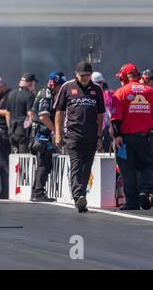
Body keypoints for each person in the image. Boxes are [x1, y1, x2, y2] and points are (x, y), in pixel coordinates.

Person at [54, 61, 105, 213]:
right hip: (72, 134)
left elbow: (100, 114)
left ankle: (81, 195)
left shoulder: (97, 89)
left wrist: (100, 136)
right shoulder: (67, 87)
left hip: (91, 136)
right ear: (76, 74)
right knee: (76, 164)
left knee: (86, 167)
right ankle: (78, 197)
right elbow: (59, 111)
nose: (85, 78)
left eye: (88, 75)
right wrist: (58, 133)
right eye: (82, 75)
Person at [111, 63, 153, 210]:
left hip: (125, 139)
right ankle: (145, 191)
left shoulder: (120, 92)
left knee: (127, 170)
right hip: (146, 138)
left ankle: (132, 202)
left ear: (124, 77)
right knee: (147, 165)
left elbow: (115, 118)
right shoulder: (150, 91)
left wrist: (117, 135)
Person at [30, 72, 67, 202]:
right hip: (41, 134)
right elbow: (43, 117)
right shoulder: (47, 94)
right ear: (54, 84)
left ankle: (36, 191)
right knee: (43, 163)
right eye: (60, 86)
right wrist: (57, 132)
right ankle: (38, 193)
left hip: (40, 133)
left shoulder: (47, 93)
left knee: (42, 162)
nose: (61, 89)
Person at [6, 73, 38, 153]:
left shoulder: (11, 94)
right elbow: (30, 114)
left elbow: (7, 113)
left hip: (11, 131)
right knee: (23, 158)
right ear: (30, 83)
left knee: (14, 157)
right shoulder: (30, 96)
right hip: (22, 131)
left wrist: (9, 127)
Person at [91, 72, 114, 152]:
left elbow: (110, 112)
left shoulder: (108, 94)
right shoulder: (91, 94)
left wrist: (112, 126)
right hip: (94, 127)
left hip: (104, 128)